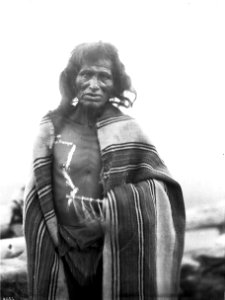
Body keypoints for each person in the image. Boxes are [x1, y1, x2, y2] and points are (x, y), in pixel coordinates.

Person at [24, 41, 185, 300]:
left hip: (112, 251)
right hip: (61, 249)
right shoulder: (52, 128)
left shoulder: (129, 130)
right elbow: (39, 186)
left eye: (104, 76)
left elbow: (161, 187)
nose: (94, 84)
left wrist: (114, 212)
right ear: (73, 78)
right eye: (86, 73)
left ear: (115, 85)